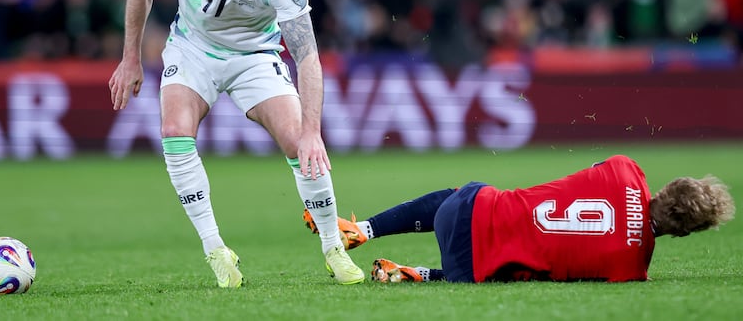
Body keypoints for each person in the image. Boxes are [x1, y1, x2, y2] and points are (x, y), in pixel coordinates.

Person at [108, 0, 364, 287]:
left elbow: (308, 56)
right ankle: (215, 249)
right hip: (192, 50)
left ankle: (333, 246)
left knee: (300, 143)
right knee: (175, 130)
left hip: (254, 57)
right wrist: (130, 59)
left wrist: (312, 131)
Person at [304, 154, 735, 283]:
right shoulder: (631, 268)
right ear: (686, 232)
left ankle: (365, 228)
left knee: (465, 196)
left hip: (464, 212)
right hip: (469, 271)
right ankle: (419, 274)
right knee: (532, 267)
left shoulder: (625, 169)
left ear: (668, 187)